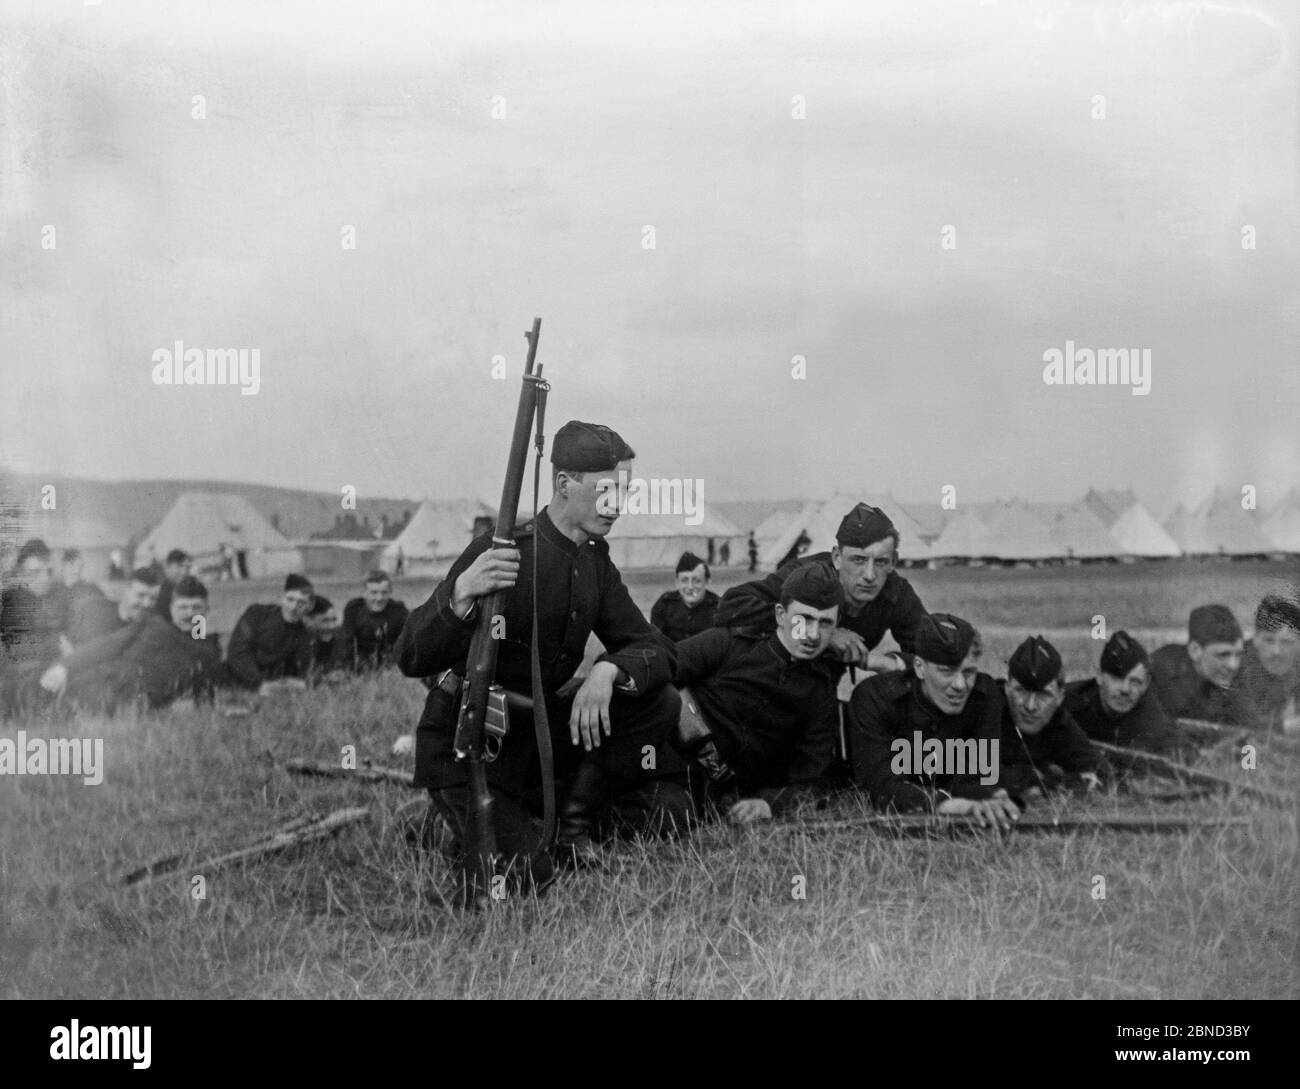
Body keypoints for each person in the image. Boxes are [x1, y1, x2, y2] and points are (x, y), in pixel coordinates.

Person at [395, 420, 687, 895]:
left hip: (539, 739)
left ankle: (567, 828)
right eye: (608, 490)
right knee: (527, 880)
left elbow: (656, 648)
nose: (620, 504)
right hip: (470, 744)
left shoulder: (594, 562)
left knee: (658, 702)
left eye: (625, 491)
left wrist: (608, 669)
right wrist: (463, 592)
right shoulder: (502, 550)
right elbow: (410, 654)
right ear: (563, 484)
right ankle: (454, 822)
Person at [671, 564, 843, 824]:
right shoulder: (731, 643)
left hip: (704, 794)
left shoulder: (819, 693)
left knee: (666, 814)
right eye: (803, 619)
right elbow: (659, 666)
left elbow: (812, 783)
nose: (812, 634)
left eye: (825, 623)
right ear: (780, 615)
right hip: (662, 751)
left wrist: (768, 804)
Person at [846, 613, 1019, 827]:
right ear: (919, 667)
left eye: (969, 672)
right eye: (947, 671)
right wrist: (946, 805)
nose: (960, 685)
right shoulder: (875, 698)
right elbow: (880, 786)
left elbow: (981, 774)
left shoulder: (984, 695)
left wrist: (992, 795)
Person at [715, 503, 927, 672]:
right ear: (837, 557)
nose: (870, 575)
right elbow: (731, 605)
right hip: (764, 672)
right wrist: (825, 632)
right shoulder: (805, 577)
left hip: (819, 690)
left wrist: (891, 662)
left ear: (893, 561)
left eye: (881, 562)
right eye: (858, 560)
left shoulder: (896, 593)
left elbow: (935, 652)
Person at [6, 576, 222, 715]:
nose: (189, 614)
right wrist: (64, 667)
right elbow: (107, 645)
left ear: (206, 609)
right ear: (172, 608)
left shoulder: (207, 651)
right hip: (98, 681)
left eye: (196, 607)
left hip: (128, 702)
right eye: (183, 607)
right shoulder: (152, 624)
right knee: (23, 689)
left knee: (46, 708)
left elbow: (202, 697)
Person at [998, 635, 1110, 796]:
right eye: (1021, 691)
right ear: (1007, 688)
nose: (1030, 706)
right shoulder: (986, 709)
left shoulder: (1058, 722)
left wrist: (1046, 786)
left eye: (1043, 695)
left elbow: (1102, 775)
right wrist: (1028, 777)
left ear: (1060, 696)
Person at [1064, 631, 1184, 756]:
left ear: (1146, 684)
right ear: (1099, 676)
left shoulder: (1152, 717)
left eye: (1135, 681)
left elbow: (1177, 749)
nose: (1125, 689)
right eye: (1117, 678)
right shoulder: (1068, 704)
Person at [1150, 605, 1253, 726]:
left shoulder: (1237, 671)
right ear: (1195, 651)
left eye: (1238, 654)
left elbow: (1251, 725)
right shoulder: (1162, 671)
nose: (1233, 665)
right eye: (1223, 655)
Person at [225, 574, 316, 689]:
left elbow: (303, 671)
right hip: (237, 676)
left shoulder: (303, 635)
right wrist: (259, 683)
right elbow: (238, 651)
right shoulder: (257, 614)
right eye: (290, 599)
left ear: (310, 606)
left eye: (301, 603)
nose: (293, 607)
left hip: (271, 686)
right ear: (282, 598)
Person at [1237, 595, 1300, 734]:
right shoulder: (1236, 664)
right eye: (1268, 640)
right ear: (1256, 638)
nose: (1276, 651)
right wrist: (1287, 727)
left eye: (1286, 642)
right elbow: (1241, 724)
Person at [0, 539, 65, 665]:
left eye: (48, 572)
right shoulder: (13, 604)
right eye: (34, 573)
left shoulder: (54, 595)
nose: (44, 578)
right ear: (20, 574)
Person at [332, 570, 410, 671]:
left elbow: (406, 646)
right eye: (374, 593)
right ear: (364, 593)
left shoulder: (399, 611)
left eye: (384, 593)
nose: (379, 598)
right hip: (360, 665)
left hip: (390, 666)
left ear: (390, 592)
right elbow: (346, 643)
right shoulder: (354, 609)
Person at [67, 567, 161, 645]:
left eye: (153, 598)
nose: (147, 603)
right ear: (126, 589)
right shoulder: (95, 609)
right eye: (141, 595)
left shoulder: (150, 632)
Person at [649, 551, 720, 643]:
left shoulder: (719, 608)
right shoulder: (664, 606)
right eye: (684, 580)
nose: (690, 587)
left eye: (697, 581)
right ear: (677, 583)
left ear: (707, 582)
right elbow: (656, 645)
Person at [305, 595, 342, 675]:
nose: (331, 626)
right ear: (307, 620)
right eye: (325, 621)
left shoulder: (342, 637)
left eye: (334, 619)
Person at [154, 549, 193, 620]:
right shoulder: (159, 590)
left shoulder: (183, 589)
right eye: (180, 566)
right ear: (168, 566)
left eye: (187, 567)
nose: (184, 572)